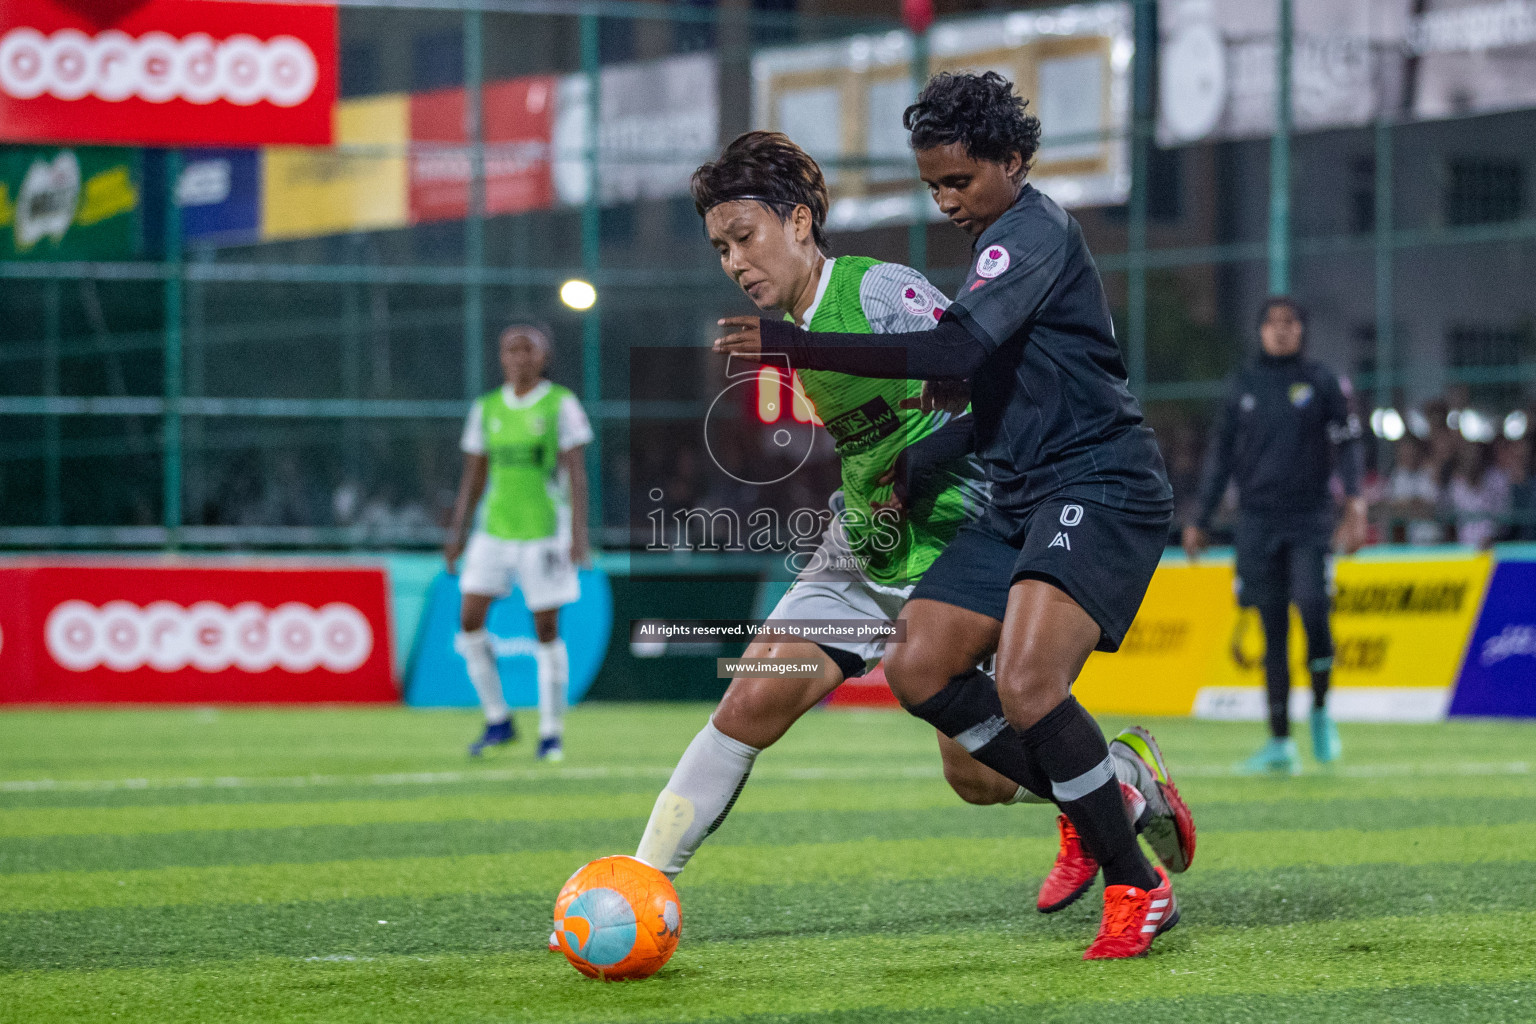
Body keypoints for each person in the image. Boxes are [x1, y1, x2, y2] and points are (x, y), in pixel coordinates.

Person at [632, 130, 1190, 924]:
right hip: (862, 547)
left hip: (962, 536)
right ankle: (638, 885)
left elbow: (977, 380)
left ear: (798, 223)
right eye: (720, 247)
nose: (734, 261)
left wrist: (918, 468)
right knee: (751, 701)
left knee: (983, 780)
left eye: (745, 237)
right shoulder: (785, 326)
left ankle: (1116, 790)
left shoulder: (879, 290)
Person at [1183, 297, 1366, 775]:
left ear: (1303, 330)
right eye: (1272, 323)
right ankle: (1280, 741)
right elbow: (1220, 455)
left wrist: (1355, 501)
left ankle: (1322, 711)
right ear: (1260, 330)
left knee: (1311, 606)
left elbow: (1349, 445)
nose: (1281, 331)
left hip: (1309, 519)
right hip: (1256, 523)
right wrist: (1200, 518)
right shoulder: (1242, 384)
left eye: (1290, 323)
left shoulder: (1322, 381)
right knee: (1273, 631)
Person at [444, 325, 592, 760]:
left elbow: (576, 473)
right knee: (469, 619)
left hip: (543, 531)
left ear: (542, 357)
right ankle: (498, 719)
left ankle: (551, 732)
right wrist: (457, 534)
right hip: (493, 531)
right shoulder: (486, 407)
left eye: (528, 349)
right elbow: (473, 476)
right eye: (511, 349)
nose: (519, 356)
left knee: (546, 629)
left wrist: (578, 534)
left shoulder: (559, 403)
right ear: (501, 357)